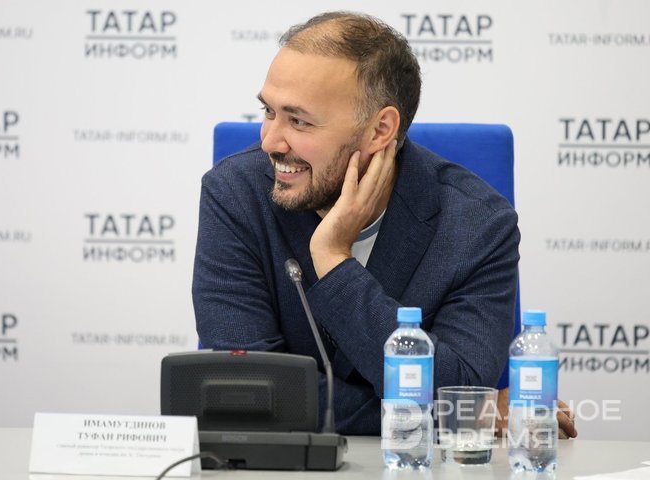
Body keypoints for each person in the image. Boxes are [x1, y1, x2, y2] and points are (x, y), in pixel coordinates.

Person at [192, 11, 576, 439]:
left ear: (380, 129)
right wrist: (458, 413)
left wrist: (333, 261)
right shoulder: (234, 194)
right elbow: (247, 392)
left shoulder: (479, 226)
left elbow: (459, 387)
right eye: (269, 111)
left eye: (299, 121)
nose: (270, 141)